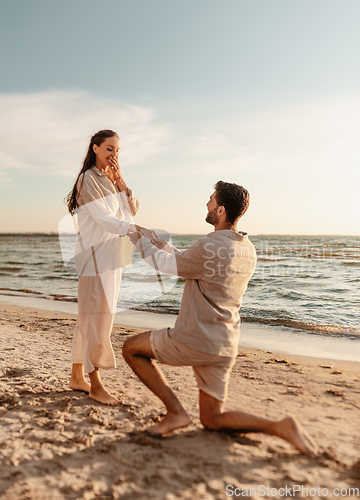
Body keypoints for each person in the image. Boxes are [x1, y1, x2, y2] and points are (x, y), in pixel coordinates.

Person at [123, 181, 318, 455]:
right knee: (212, 419)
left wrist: (140, 242)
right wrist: (161, 243)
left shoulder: (209, 245)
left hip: (194, 339)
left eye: (211, 200)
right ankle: (280, 426)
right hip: (224, 344)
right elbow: (193, 262)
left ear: (222, 209)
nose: (207, 204)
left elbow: (170, 266)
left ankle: (176, 412)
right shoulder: (247, 249)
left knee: (131, 348)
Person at [65, 129, 154, 405]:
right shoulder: (87, 180)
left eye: (117, 150)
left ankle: (77, 376)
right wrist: (133, 228)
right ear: (95, 148)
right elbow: (105, 220)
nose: (114, 154)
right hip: (94, 257)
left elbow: (131, 210)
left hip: (114, 256)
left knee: (92, 318)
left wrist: (120, 181)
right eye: (109, 149)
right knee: (96, 320)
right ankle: (96, 385)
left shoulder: (110, 180)